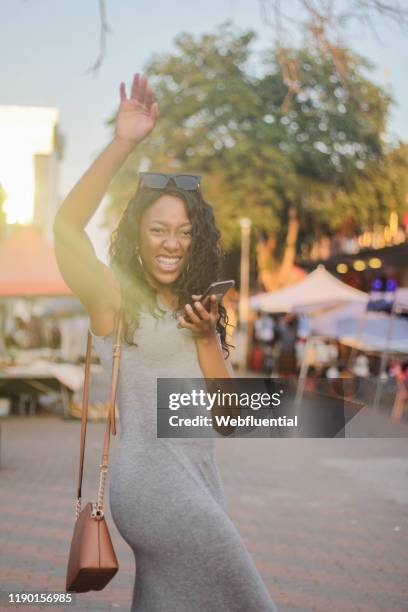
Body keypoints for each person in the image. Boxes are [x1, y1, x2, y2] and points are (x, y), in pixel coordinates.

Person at [53, 73, 277, 612]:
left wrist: (206, 340)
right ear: (136, 236)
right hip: (152, 485)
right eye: (157, 229)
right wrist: (124, 141)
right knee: (243, 595)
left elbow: (231, 418)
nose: (171, 243)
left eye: (183, 231)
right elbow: (65, 227)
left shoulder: (201, 308)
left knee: (170, 601)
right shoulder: (116, 300)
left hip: (199, 480)